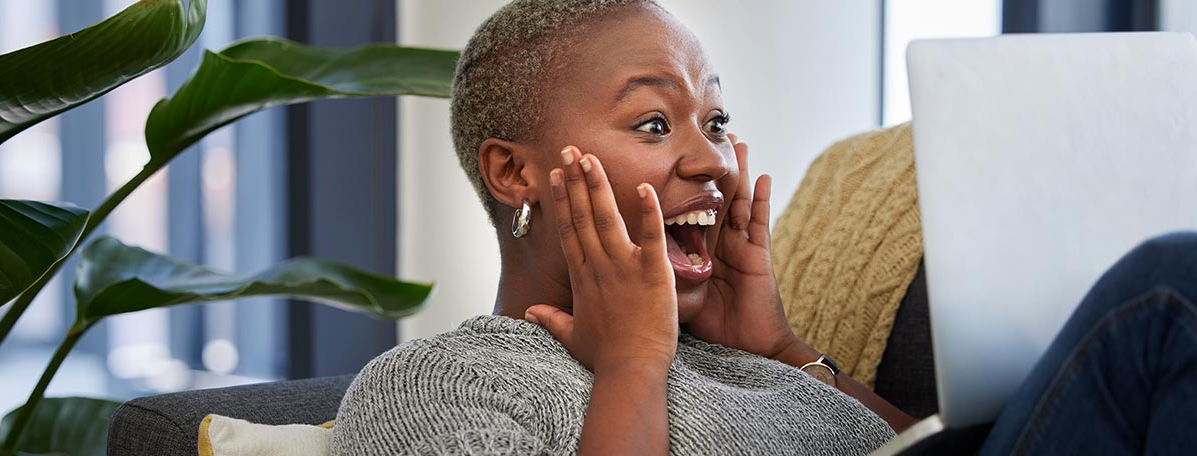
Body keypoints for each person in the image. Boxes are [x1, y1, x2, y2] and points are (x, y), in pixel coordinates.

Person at [326, 1, 1197, 454]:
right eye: (655, 124)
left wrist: (780, 346)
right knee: (1162, 296)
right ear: (516, 172)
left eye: (715, 119)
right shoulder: (441, 382)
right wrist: (634, 360)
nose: (713, 160)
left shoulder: (752, 362)